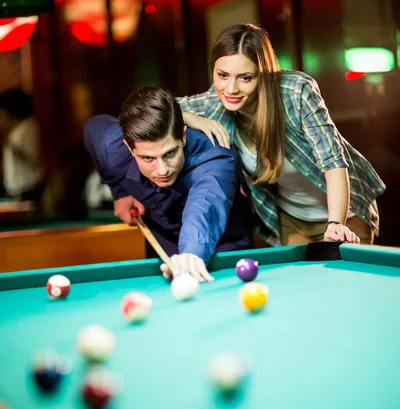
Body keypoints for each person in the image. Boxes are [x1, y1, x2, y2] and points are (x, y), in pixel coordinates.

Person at [178, 23, 386, 247]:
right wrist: (190, 118)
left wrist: (336, 223)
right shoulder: (214, 103)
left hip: (346, 214)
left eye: (245, 78)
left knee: (347, 280)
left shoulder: (296, 92)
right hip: (292, 219)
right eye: (223, 75)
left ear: (264, 75)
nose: (231, 89)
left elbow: (333, 161)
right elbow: (150, 111)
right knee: (300, 282)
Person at [84, 85, 253, 281]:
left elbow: (204, 206)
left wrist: (191, 253)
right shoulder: (113, 149)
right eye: (148, 158)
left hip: (223, 249)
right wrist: (119, 192)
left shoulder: (216, 157)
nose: (162, 169)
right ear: (129, 149)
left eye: (169, 153)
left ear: (182, 137)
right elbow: (92, 129)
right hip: (161, 245)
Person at [0, 89, 44, 205]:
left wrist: (12, 146)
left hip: (28, 189)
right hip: (16, 191)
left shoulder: (29, 126)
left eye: (1, 112)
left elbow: (33, 158)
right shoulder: (14, 131)